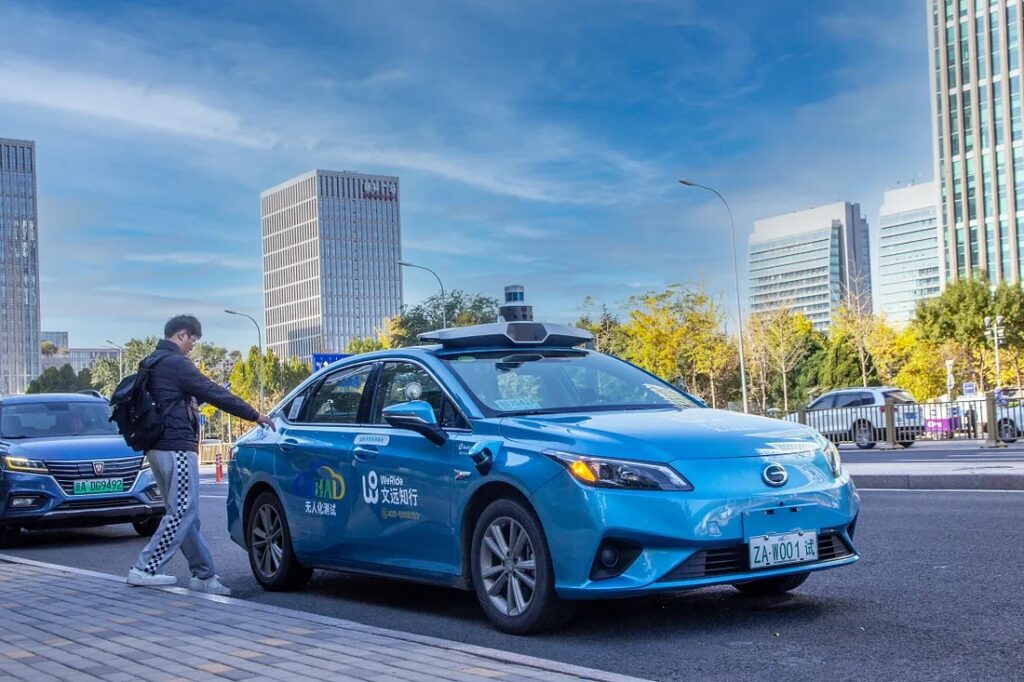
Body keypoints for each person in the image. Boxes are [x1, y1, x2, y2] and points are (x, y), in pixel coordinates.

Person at [127, 315, 274, 595]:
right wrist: (254, 414)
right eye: (193, 339)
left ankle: (203, 575)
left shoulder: (152, 361)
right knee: (183, 511)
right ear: (182, 334)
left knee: (185, 516)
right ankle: (145, 568)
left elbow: (190, 396)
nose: (193, 346)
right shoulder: (176, 363)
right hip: (176, 447)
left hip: (158, 446)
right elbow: (212, 391)